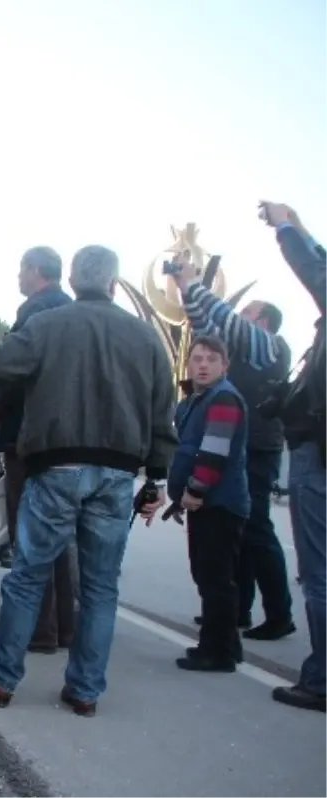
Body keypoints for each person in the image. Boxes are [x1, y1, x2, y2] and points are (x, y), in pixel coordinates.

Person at [0, 245, 177, 717]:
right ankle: (85, 689)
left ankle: (0, 676)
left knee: (28, 574)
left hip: (56, 466)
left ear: (74, 281)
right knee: (100, 587)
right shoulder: (144, 338)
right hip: (118, 472)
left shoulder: (48, 325)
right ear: (113, 284)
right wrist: (155, 479)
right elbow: (163, 415)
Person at [174, 256, 296, 641]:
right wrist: (185, 287)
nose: (240, 317)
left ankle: (278, 614)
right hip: (244, 449)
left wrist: (195, 285)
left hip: (257, 450)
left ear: (261, 323)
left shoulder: (270, 347)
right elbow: (206, 326)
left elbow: (225, 322)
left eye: (248, 312)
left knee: (255, 529)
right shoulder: (238, 355)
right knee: (236, 537)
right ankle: (235, 611)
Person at [0, 247, 77, 654]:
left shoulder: (36, 312)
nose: (18, 276)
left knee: (29, 537)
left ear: (36, 270)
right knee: (60, 540)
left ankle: (38, 630)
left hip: (28, 437)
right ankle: (65, 626)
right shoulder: (73, 313)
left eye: (21, 268)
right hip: (66, 441)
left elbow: (15, 370)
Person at [260, 201, 327, 714]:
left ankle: (322, 679)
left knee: (320, 573)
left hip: (318, 455)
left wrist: (286, 228)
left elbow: (317, 271)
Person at [160, 335, 250, 672]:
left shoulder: (223, 398)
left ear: (224, 366)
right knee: (211, 574)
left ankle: (218, 652)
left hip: (218, 503)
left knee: (214, 577)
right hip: (211, 503)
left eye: (212, 359)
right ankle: (227, 643)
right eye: (197, 358)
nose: (203, 365)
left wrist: (195, 491)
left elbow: (214, 451)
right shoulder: (197, 400)